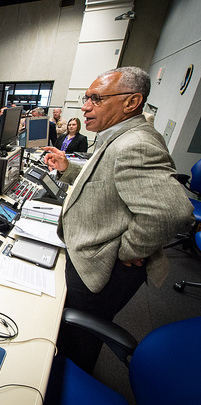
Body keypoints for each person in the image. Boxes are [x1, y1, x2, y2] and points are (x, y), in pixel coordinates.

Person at [43, 67, 194, 374]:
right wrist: (67, 167)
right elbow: (105, 180)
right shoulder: (118, 135)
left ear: (131, 102)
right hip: (98, 256)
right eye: (86, 98)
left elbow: (173, 211)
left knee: (78, 337)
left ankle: (65, 382)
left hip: (104, 267)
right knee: (78, 331)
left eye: (96, 99)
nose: (85, 106)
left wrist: (128, 250)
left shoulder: (135, 143)